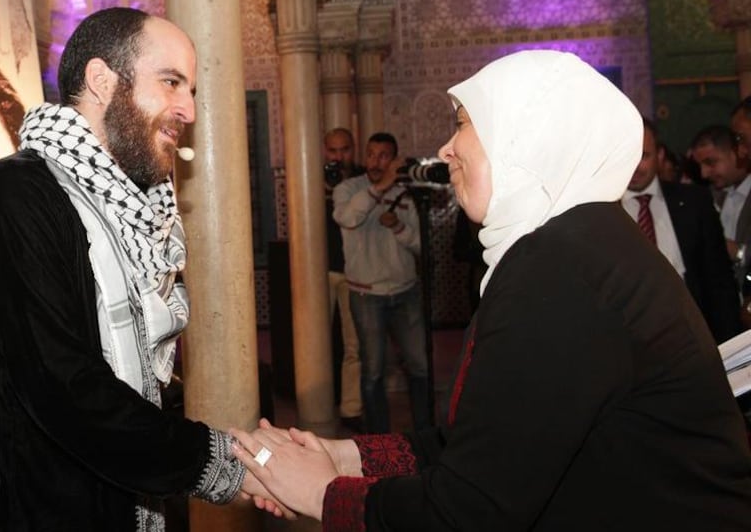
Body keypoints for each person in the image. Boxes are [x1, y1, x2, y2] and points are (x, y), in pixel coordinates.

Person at [230, 50, 751, 530]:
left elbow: (471, 510)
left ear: (526, 139)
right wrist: (343, 458)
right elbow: (482, 442)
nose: (446, 149)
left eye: (462, 125)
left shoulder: (561, 269)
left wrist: (323, 493)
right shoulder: (580, 243)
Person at [0, 7, 260, 530]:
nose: (189, 110)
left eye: (192, 90)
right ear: (101, 80)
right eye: (171, 82)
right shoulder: (14, 196)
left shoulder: (132, 204)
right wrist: (225, 463)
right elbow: (64, 387)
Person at [332, 132, 429, 434]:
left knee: (420, 367)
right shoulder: (349, 189)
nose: (376, 161)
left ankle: (424, 434)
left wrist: (398, 226)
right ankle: (379, 440)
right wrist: (380, 188)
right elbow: (347, 218)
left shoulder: (406, 193)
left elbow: (420, 245)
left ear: (394, 159)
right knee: (372, 371)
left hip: (405, 292)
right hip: (366, 295)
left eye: (384, 155)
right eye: (371, 154)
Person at [624, 119, 742, 343]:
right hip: (633, 342)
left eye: (644, 156)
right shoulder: (605, 212)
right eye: (627, 158)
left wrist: (728, 344)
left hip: (694, 337)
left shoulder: (694, 202)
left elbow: (718, 281)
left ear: (660, 156)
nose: (635, 167)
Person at [323, 128, 366, 433]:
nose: (339, 156)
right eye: (333, 150)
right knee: (316, 344)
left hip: (355, 272)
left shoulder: (364, 181)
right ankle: (320, 404)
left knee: (354, 344)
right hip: (320, 272)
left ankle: (351, 408)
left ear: (354, 149)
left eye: (345, 149)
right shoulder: (313, 180)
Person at [691, 125, 751, 260]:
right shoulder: (709, 196)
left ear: (736, 152)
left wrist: (739, 253)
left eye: (710, 162)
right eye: (700, 165)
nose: (704, 174)